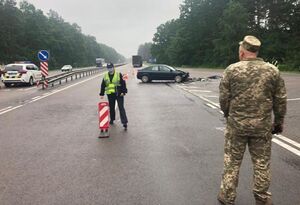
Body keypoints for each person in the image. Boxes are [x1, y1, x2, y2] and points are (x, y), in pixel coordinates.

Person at [218, 35, 287, 205]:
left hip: (236, 127)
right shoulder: (272, 71)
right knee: (261, 163)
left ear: (242, 52)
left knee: (232, 162)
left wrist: (228, 115)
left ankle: (227, 196)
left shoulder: (232, 70)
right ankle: (262, 199)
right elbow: (280, 100)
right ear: (256, 51)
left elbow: (224, 99)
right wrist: (278, 123)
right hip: (261, 127)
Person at [99, 62, 128, 130]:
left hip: (119, 94)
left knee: (121, 108)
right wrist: (102, 94)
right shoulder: (105, 75)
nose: (110, 69)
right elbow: (103, 85)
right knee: (111, 108)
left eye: (111, 67)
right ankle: (112, 119)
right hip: (110, 94)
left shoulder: (118, 74)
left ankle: (124, 122)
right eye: (108, 68)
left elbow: (123, 83)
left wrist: (124, 92)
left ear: (113, 67)